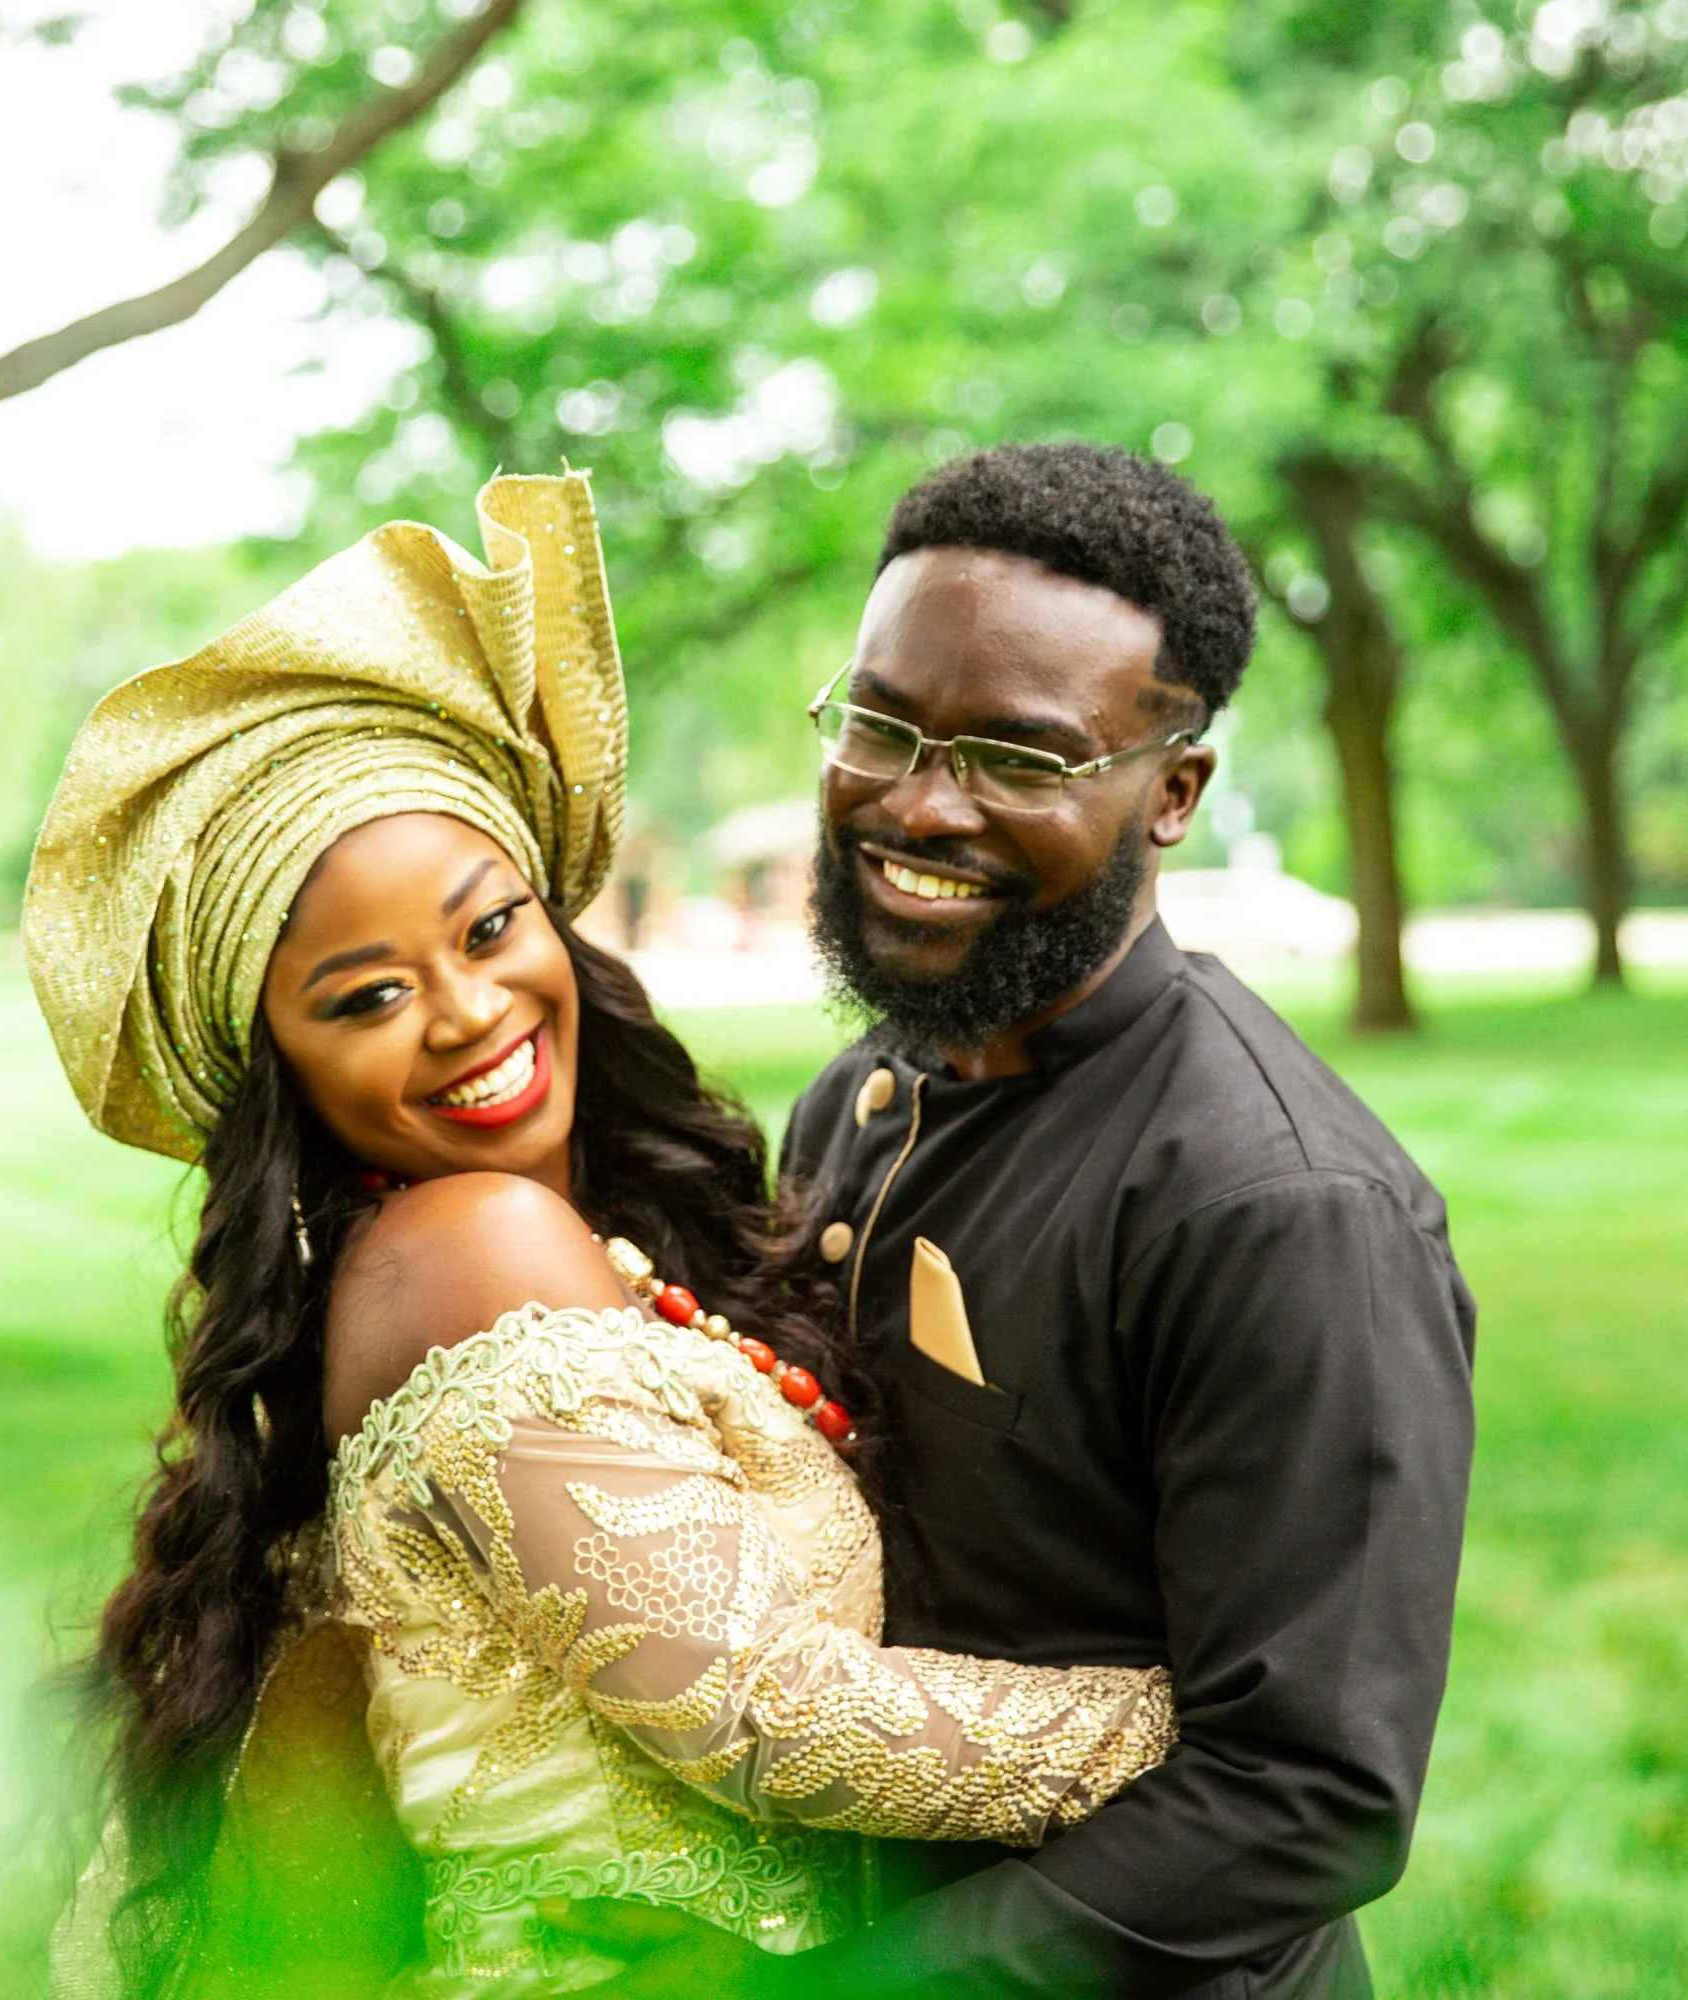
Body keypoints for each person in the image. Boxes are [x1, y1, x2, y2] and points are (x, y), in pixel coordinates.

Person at [25, 472, 1178, 2000]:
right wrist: (1199, 1722)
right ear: (282, 1065)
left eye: (488, 924)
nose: (468, 1011)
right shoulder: (478, 1246)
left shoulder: (567, 1238)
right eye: (364, 998)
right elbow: (768, 1711)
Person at [564, 444, 1478, 1998]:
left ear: (1172, 791)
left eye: (1020, 757)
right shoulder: (859, 1097)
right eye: (881, 723)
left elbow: (1303, 1800)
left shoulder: (1284, 1212)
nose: (921, 802)